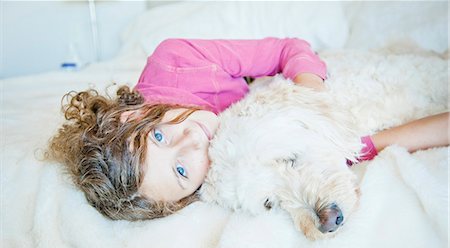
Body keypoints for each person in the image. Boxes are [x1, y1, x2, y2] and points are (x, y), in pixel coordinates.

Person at [47, 38, 449, 221]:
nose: (192, 140)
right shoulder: (218, 175)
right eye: (182, 171)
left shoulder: (177, 58)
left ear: (129, 118)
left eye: (159, 136)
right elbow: (361, 146)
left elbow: (286, 50)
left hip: (274, 84)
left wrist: (311, 98)